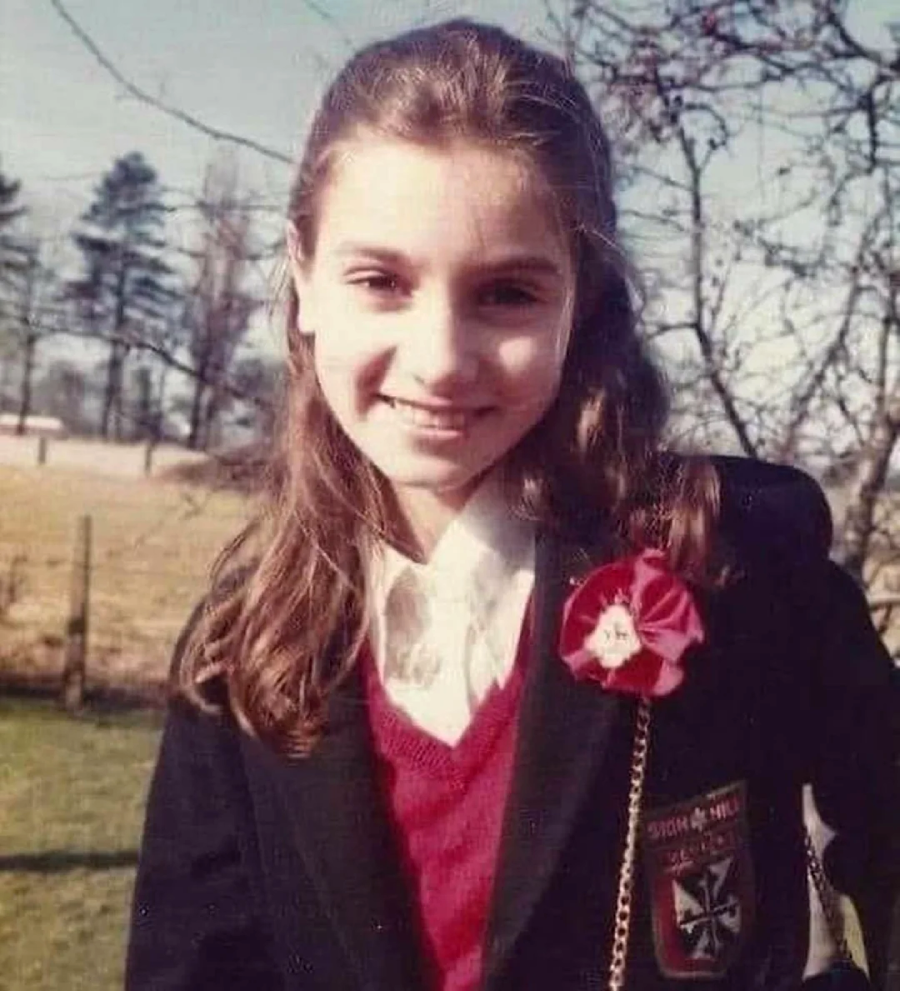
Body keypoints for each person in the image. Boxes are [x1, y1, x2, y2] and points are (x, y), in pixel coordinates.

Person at [125, 19, 899, 991]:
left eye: (507, 294)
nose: (441, 357)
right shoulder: (240, 644)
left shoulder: (736, 563)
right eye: (381, 281)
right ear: (304, 280)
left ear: (585, 299)